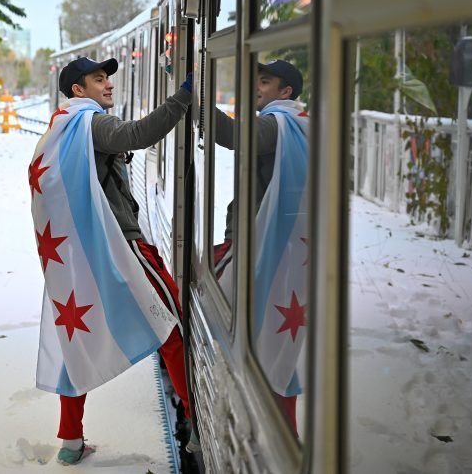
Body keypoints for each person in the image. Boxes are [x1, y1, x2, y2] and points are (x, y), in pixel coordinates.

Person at [28, 56, 193, 465]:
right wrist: (184, 97)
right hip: (121, 247)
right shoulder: (93, 122)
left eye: (108, 78)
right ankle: (196, 426)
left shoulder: (61, 125)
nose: (109, 85)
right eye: (99, 79)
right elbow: (137, 133)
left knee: (76, 339)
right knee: (170, 323)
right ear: (78, 90)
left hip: (84, 254)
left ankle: (71, 441)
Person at [211, 60, 309, 435]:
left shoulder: (275, 124)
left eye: (264, 82)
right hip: (287, 250)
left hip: (262, 249)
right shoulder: (300, 124)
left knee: (238, 326)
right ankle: (283, 431)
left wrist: (194, 99)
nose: (256, 86)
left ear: (285, 92)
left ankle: (244, 427)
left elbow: (233, 134)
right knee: (277, 340)